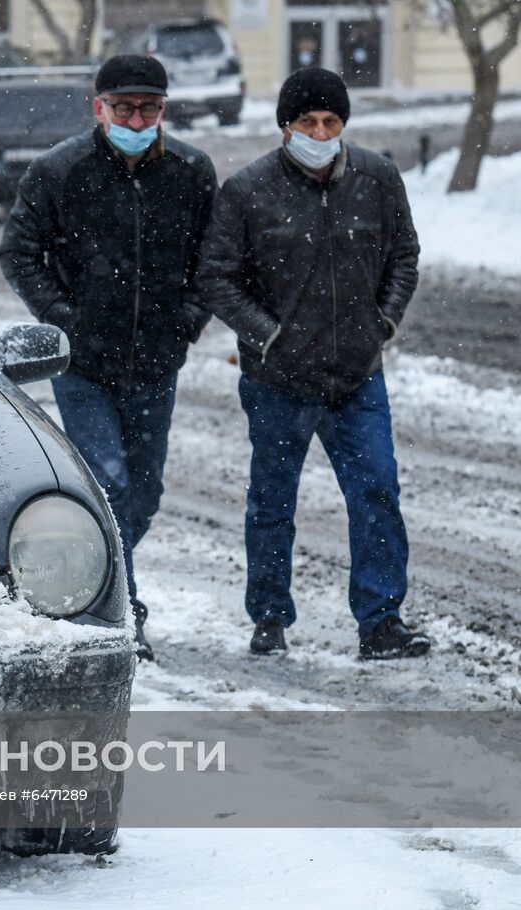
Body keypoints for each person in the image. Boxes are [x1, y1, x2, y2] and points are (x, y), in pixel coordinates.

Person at [198, 67, 428, 661]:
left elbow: (404, 254)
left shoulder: (377, 178)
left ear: (343, 124)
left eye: (330, 121)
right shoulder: (247, 191)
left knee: (376, 490)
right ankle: (270, 616)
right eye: (307, 121)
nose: (320, 132)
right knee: (273, 501)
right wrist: (269, 336)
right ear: (285, 128)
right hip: (279, 380)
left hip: (357, 376)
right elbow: (218, 279)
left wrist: (384, 322)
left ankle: (381, 621)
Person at [0, 55, 217, 662]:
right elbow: (19, 251)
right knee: (110, 486)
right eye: (123, 107)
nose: (136, 118)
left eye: (148, 107)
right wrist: (64, 318)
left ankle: (99, 576)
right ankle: (124, 612)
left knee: (144, 493)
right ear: (99, 108)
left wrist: (188, 321)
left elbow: (213, 257)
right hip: (84, 366)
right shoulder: (60, 170)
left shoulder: (192, 171)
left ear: (163, 110)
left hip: (156, 360)